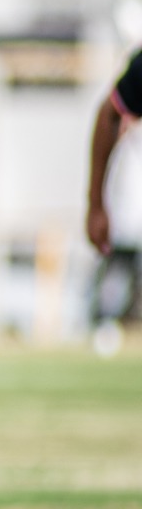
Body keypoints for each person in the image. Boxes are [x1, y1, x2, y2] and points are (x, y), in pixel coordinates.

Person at [86, 49, 142, 352]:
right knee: (118, 267)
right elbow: (109, 113)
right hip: (130, 208)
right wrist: (96, 204)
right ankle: (105, 321)